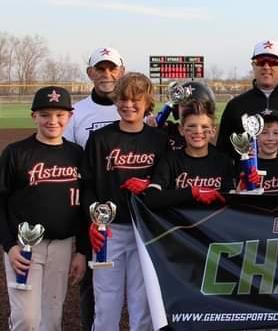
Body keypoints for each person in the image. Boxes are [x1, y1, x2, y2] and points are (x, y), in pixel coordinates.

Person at [82, 73, 168, 331]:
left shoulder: (159, 140)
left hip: (145, 231)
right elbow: (86, 183)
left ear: (147, 102)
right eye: (122, 98)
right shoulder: (100, 139)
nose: (128, 104)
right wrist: (94, 216)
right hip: (110, 231)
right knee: (106, 304)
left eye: (135, 99)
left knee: (142, 306)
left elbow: (166, 181)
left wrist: (152, 186)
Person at [0, 86, 88, 331]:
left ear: (70, 117)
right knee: (26, 319)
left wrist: (81, 250)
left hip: (62, 246)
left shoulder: (76, 154)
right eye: (45, 114)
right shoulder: (16, 153)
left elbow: (82, 206)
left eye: (59, 115)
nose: (53, 120)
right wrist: (9, 246)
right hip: (25, 248)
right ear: (34, 116)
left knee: (51, 320)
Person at [62, 47, 125, 331]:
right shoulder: (78, 113)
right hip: (91, 203)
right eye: (100, 69)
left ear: (121, 71)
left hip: (129, 203)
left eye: (112, 68)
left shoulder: (132, 105)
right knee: (92, 276)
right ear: (90, 73)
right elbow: (66, 155)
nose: (106, 74)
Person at [143, 81, 232, 210]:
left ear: (212, 130)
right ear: (182, 129)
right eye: (191, 126)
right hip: (178, 223)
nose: (198, 131)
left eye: (204, 127)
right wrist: (191, 192)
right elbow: (152, 197)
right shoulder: (165, 140)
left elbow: (229, 198)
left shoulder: (222, 160)